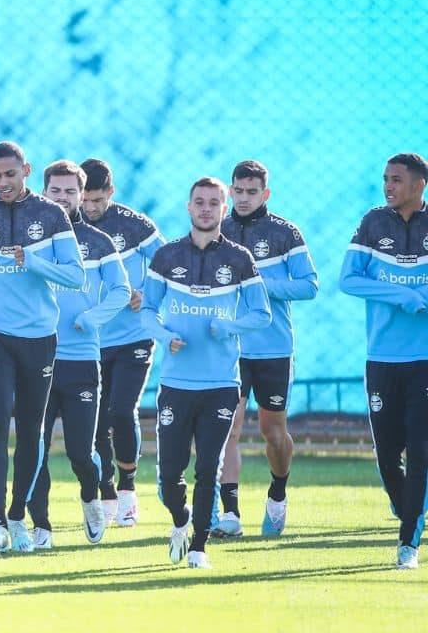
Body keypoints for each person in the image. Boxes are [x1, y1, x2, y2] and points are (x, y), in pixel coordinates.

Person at [0, 141, 84, 554]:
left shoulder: (52, 215)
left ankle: (17, 516)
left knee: (31, 429)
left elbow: (75, 276)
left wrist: (34, 262)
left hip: (39, 336)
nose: (3, 182)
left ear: (26, 170)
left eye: (10, 174)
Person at [139, 176, 270, 569]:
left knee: (208, 467)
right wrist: (164, 336)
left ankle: (198, 547)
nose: (206, 208)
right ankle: (180, 521)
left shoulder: (239, 259)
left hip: (220, 385)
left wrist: (229, 327)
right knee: (168, 478)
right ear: (189, 206)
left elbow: (261, 314)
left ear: (224, 209)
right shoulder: (166, 256)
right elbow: (147, 312)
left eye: (215, 202)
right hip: (176, 384)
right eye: (200, 202)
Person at [212, 160, 317, 538]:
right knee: (228, 430)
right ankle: (230, 514)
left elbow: (309, 285)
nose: (242, 198)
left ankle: (277, 495)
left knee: (273, 433)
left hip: (273, 349)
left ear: (265, 194)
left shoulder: (285, 233)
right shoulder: (216, 231)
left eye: (251, 192)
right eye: (237, 191)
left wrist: (260, 284)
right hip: (229, 349)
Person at [28, 160, 129, 548]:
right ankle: (41, 526)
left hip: (82, 360)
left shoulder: (99, 243)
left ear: (81, 195)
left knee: (79, 454)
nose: (63, 198)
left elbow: (120, 290)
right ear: (45, 192)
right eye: (56, 191)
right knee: (34, 448)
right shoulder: (32, 237)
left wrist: (92, 317)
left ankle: (91, 496)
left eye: (71, 192)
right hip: (36, 357)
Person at [339, 152, 428, 570]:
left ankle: (408, 542)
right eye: (385, 179)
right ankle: (408, 506)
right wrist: (403, 296)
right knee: (387, 454)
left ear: (418, 185)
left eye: (396, 179)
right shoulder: (374, 222)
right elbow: (348, 279)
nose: (388, 186)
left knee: (421, 450)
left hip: (424, 360)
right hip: (381, 359)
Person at [79, 158, 165, 526]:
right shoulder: (67, 225)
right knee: (95, 420)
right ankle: (107, 490)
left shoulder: (135, 225)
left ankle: (129, 489)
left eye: (97, 200)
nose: (90, 207)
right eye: (85, 199)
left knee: (121, 409)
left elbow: (169, 262)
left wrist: (145, 291)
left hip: (134, 336)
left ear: (110, 193)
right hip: (89, 341)